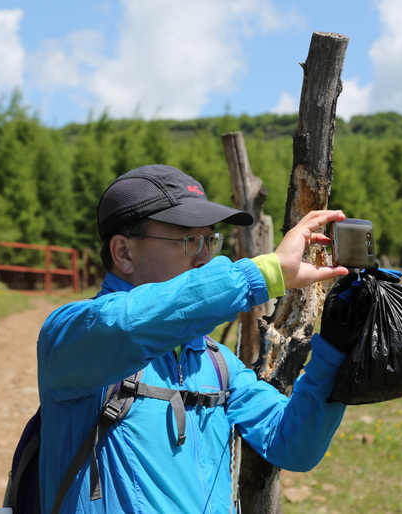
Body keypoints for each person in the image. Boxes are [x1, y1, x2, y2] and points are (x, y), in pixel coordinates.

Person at [37, 164, 351, 513]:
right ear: (123, 252)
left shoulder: (216, 363)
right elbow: (129, 324)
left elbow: (291, 444)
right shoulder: (71, 335)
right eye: (189, 240)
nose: (205, 258)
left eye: (210, 240)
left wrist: (340, 350)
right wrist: (264, 273)